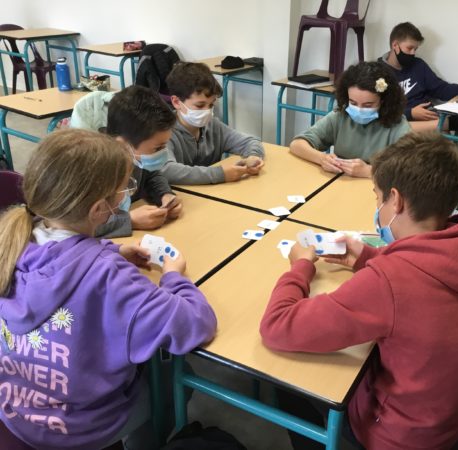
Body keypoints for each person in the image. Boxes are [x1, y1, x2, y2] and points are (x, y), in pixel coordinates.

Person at [260, 132, 458, 450]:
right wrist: (367, 257)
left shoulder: (389, 281)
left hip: (397, 437)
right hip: (445, 422)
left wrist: (300, 266)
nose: (377, 207)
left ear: (396, 200)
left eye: (377, 197)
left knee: (284, 379)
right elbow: (420, 285)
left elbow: (277, 326)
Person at [0, 129, 217, 449]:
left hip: (15, 408)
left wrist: (112, 250)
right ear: (99, 209)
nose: (124, 196)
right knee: (174, 377)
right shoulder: (109, 276)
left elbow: (61, 258)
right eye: (123, 189)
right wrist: (173, 276)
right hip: (77, 427)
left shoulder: (12, 241)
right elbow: (195, 323)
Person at [289, 61, 411, 178]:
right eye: (353, 103)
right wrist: (322, 158)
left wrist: (368, 171)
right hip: (339, 182)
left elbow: (410, 170)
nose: (359, 110)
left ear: (384, 101)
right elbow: (297, 144)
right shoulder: (340, 116)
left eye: (368, 105)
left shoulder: (397, 125)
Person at [96, 85, 182, 238]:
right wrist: (129, 221)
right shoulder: (92, 171)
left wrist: (165, 195)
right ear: (123, 144)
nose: (164, 152)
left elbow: (151, 176)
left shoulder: (133, 156)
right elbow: (71, 227)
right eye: (158, 148)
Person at [161, 62, 265, 185]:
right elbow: (167, 170)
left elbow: (250, 142)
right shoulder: (163, 133)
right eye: (200, 105)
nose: (207, 111)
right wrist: (220, 174)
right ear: (176, 102)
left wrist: (253, 157)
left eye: (211, 105)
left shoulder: (212, 125)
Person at [380, 22, 458, 133]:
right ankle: (451, 123)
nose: (412, 53)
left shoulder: (418, 65)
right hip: (402, 122)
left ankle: (448, 124)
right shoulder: (378, 72)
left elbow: (441, 89)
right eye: (409, 48)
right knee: (398, 128)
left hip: (429, 115)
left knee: (444, 137)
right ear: (395, 45)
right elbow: (379, 111)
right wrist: (410, 113)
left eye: (415, 49)